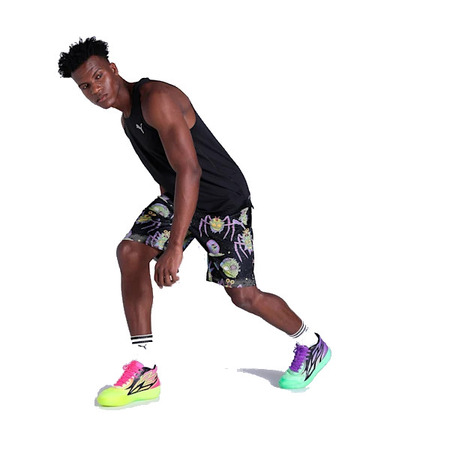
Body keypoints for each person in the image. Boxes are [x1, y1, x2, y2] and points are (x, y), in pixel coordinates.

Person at [58, 37, 331, 407]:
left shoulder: (156, 99)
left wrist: (174, 247)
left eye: (98, 77)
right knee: (130, 252)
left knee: (244, 296)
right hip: (181, 197)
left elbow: (190, 170)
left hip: (222, 204)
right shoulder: (127, 120)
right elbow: (166, 174)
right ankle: (144, 370)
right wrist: (167, 230)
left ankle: (311, 344)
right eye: (85, 87)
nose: (95, 90)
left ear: (113, 69)